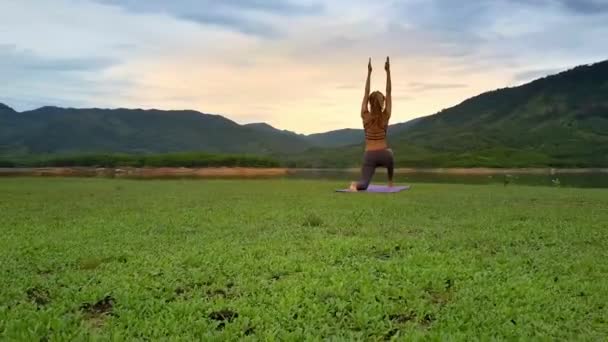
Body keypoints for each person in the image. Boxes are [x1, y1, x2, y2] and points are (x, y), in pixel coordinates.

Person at [349, 57, 394, 191]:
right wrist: (388, 72)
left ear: (370, 102)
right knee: (390, 155)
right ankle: (390, 181)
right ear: (382, 103)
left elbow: (366, 92)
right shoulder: (385, 116)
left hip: (369, 156)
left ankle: (355, 185)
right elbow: (389, 91)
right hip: (384, 155)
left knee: (363, 184)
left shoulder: (365, 115)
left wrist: (369, 73)